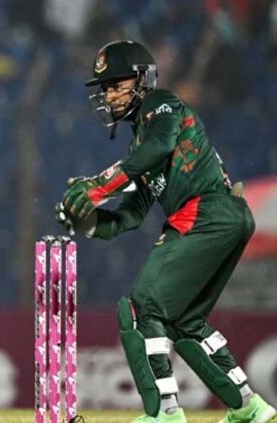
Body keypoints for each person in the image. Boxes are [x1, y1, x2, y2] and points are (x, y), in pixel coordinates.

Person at [55, 40, 276, 423]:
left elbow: (159, 147)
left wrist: (97, 186)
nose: (109, 95)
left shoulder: (161, 103)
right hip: (222, 217)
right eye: (105, 88)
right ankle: (248, 407)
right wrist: (84, 220)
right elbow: (127, 218)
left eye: (116, 85)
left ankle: (164, 413)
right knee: (183, 322)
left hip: (204, 213)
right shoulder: (139, 146)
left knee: (139, 308)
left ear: (143, 80)